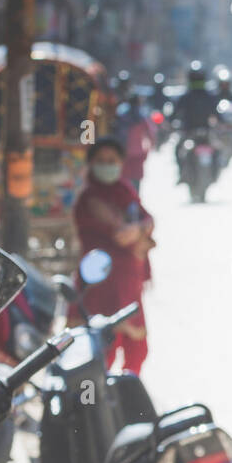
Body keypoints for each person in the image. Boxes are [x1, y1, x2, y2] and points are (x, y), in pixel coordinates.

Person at [72, 137, 155, 374]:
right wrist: (139, 230)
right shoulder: (90, 198)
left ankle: (127, 399)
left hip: (129, 282)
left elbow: (147, 219)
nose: (107, 165)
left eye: (112, 161)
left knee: (136, 351)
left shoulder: (125, 190)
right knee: (103, 350)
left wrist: (139, 228)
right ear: (91, 164)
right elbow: (123, 234)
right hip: (100, 284)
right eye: (101, 161)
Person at [171, 62, 221, 184]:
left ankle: (183, 174)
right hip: (193, 132)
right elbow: (218, 115)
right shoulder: (208, 96)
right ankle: (184, 173)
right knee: (179, 149)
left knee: (179, 150)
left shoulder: (187, 96)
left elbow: (174, 114)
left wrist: (170, 122)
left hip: (195, 132)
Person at [121, 93, 157, 194]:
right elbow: (151, 133)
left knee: (125, 178)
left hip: (124, 152)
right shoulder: (142, 117)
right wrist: (151, 147)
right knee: (136, 179)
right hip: (138, 152)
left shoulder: (123, 116)